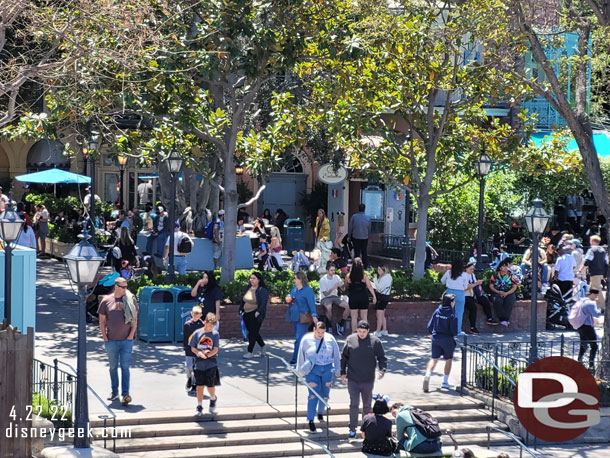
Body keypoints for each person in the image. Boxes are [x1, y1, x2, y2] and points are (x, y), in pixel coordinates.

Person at [340, 320, 387, 438]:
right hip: (353, 378)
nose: (361, 334)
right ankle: (352, 428)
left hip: (368, 379)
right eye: (359, 331)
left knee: (367, 405)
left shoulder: (375, 341)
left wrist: (382, 370)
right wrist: (342, 372)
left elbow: (382, 357)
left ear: (368, 332)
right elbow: (344, 357)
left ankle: (365, 428)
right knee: (354, 403)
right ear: (356, 330)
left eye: (364, 332)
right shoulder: (350, 339)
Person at [98, 277, 138, 405]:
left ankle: (125, 394)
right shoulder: (106, 301)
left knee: (125, 367)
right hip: (111, 341)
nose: (126, 289)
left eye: (126, 287)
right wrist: (105, 337)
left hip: (126, 341)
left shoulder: (130, 300)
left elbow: (135, 320)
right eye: (123, 287)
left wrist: (131, 335)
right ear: (116, 287)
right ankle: (114, 391)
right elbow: (102, 321)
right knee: (113, 367)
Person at [296, 321, 341, 433]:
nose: (320, 335)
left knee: (325, 393)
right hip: (312, 370)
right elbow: (301, 355)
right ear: (314, 330)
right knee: (313, 394)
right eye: (318, 332)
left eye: (323, 332)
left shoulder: (330, 338)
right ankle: (310, 419)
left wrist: (338, 370)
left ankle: (320, 412)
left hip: (327, 369)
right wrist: (300, 371)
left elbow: (336, 355)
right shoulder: (306, 339)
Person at [423, 294, 458, 392]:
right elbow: (454, 331)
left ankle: (427, 375)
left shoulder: (437, 311)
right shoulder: (452, 314)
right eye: (453, 301)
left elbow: (430, 324)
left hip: (436, 337)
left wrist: (431, 333)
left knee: (433, 358)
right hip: (447, 339)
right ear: (451, 302)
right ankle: (445, 382)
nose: (454, 303)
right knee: (448, 359)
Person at [188, 312, 220, 416]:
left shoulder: (215, 334)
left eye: (213, 326)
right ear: (205, 322)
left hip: (211, 364)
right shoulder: (197, 333)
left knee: (210, 385)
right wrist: (199, 353)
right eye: (209, 325)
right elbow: (193, 348)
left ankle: (212, 398)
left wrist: (208, 355)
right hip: (199, 364)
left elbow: (215, 349)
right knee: (199, 386)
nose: (210, 328)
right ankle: (200, 405)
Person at [286, 271, 318, 365]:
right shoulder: (294, 289)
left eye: (295, 278)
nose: (294, 280)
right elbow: (291, 299)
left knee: (299, 339)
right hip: (294, 316)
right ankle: (304, 357)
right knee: (299, 338)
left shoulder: (308, 290)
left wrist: (314, 315)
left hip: (302, 317)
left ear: (300, 279)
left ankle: (296, 359)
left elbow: (311, 303)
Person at [239, 272, 269, 358]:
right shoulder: (248, 288)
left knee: (252, 333)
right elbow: (243, 300)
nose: (251, 280)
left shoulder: (262, 290)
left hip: (255, 314)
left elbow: (263, 303)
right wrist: (241, 309)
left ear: (259, 280)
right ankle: (263, 346)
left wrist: (258, 312)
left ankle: (250, 351)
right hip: (246, 313)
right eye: (251, 278)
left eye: (254, 278)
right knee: (253, 332)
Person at [440, 260, 471, 336]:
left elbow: (442, 281)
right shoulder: (464, 275)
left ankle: (445, 329)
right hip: (460, 293)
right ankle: (458, 331)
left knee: (447, 312)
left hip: (449, 293)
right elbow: (465, 286)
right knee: (459, 313)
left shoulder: (448, 273)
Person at [578, 235, 609, 310]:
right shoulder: (602, 250)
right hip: (601, 272)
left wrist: (580, 270)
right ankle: (589, 305)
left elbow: (587, 262)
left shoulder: (591, 250)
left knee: (597, 289)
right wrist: (605, 274)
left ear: (592, 241)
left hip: (594, 272)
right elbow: (606, 263)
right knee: (591, 289)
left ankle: (603, 307)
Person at [574, 289, 602, 371]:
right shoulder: (590, 303)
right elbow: (596, 314)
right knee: (594, 345)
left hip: (580, 326)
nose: (596, 298)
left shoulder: (582, 300)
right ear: (592, 294)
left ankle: (579, 361)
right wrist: (598, 306)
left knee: (583, 344)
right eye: (596, 296)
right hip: (587, 326)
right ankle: (591, 364)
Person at [319, 264, 350, 336]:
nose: (333, 272)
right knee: (329, 307)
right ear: (327, 271)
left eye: (334, 270)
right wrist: (334, 287)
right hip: (325, 297)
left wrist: (343, 284)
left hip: (335, 296)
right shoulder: (323, 280)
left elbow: (343, 288)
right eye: (331, 270)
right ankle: (329, 325)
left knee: (347, 306)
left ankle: (341, 324)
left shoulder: (336, 277)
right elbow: (326, 294)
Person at [345, 258, 376, 327]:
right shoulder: (364, 276)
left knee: (354, 317)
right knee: (364, 317)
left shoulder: (348, 276)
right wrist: (374, 296)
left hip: (353, 297)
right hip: (363, 297)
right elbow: (369, 286)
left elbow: (345, 285)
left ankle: (354, 333)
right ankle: (365, 332)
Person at [463, 261, 495, 330]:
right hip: (466, 295)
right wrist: (476, 283)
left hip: (473, 294)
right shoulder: (463, 275)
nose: (472, 270)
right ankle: (472, 327)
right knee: (473, 308)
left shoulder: (472, 275)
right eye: (471, 269)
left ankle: (489, 318)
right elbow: (465, 287)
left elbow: (474, 284)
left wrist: (478, 283)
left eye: (473, 269)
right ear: (466, 268)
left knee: (485, 300)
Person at [489, 259, 519, 326]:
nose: (505, 268)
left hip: (507, 292)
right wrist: (498, 292)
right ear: (500, 268)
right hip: (497, 292)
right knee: (497, 300)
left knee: (510, 299)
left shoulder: (510, 275)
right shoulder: (495, 275)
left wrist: (507, 293)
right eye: (503, 266)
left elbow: (514, 286)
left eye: (506, 266)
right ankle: (502, 319)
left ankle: (506, 319)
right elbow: (491, 286)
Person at [183, 305, 204, 394]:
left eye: (197, 315)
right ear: (191, 314)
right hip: (189, 349)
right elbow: (185, 338)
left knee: (196, 368)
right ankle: (189, 378)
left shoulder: (202, 325)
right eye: (194, 315)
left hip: (198, 349)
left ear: (200, 315)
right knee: (189, 366)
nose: (195, 317)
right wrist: (185, 348)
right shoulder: (187, 325)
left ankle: (194, 384)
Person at [373, 265, 392, 337]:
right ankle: (384, 329)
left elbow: (379, 288)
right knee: (382, 314)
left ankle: (378, 331)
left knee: (379, 314)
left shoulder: (385, 278)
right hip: (385, 297)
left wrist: (375, 280)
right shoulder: (388, 277)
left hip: (382, 297)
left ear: (384, 270)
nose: (378, 272)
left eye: (380, 270)